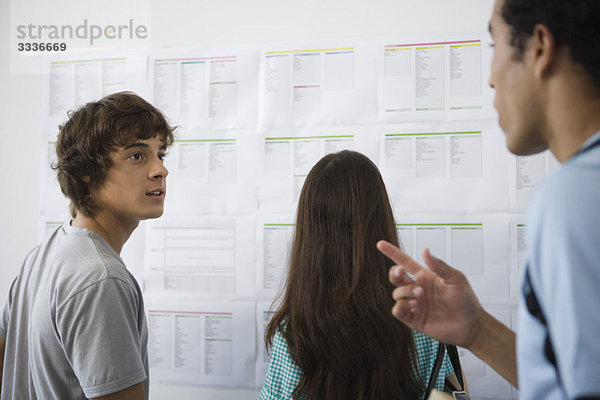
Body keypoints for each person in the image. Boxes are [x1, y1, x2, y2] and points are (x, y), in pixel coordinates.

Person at [377, 0, 600, 399]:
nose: (491, 79)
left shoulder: (571, 196)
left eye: (493, 46)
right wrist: (476, 330)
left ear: (539, 47)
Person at [0, 92, 175, 400]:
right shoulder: (101, 278)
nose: (160, 169)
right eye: (137, 156)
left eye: (160, 154)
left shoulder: (44, 254)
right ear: (85, 172)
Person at [259, 151, 464, 400]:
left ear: (309, 238)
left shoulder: (294, 334)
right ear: (382, 222)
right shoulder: (422, 320)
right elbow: (446, 392)